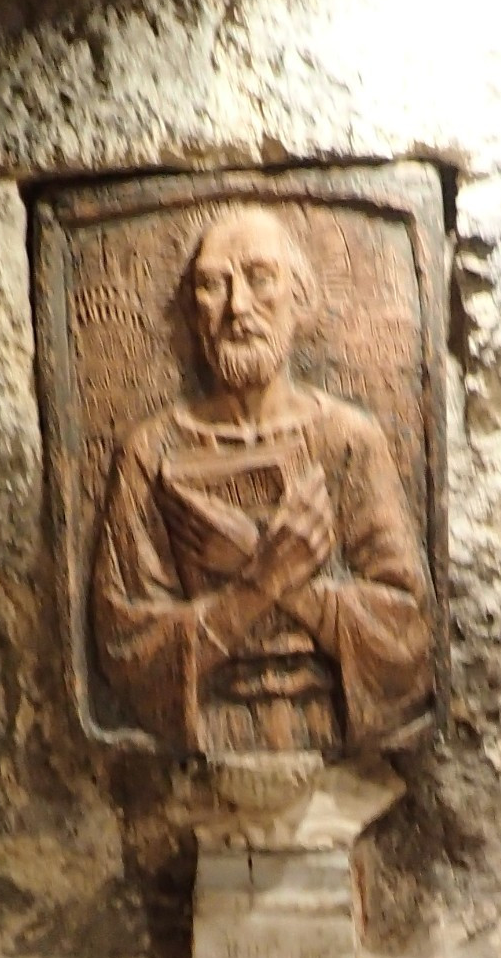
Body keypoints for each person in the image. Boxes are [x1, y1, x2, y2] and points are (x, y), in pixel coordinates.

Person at [91, 204, 434, 758]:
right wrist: (264, 580)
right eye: (212, 286)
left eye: (259, 278)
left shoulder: (348, 441)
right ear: (192, 315)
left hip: (322, 722)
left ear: (300, 300)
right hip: (213, 727)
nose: (237, 307)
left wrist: (266, 570)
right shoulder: (151, 452)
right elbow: (127, 644)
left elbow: (409, 631)